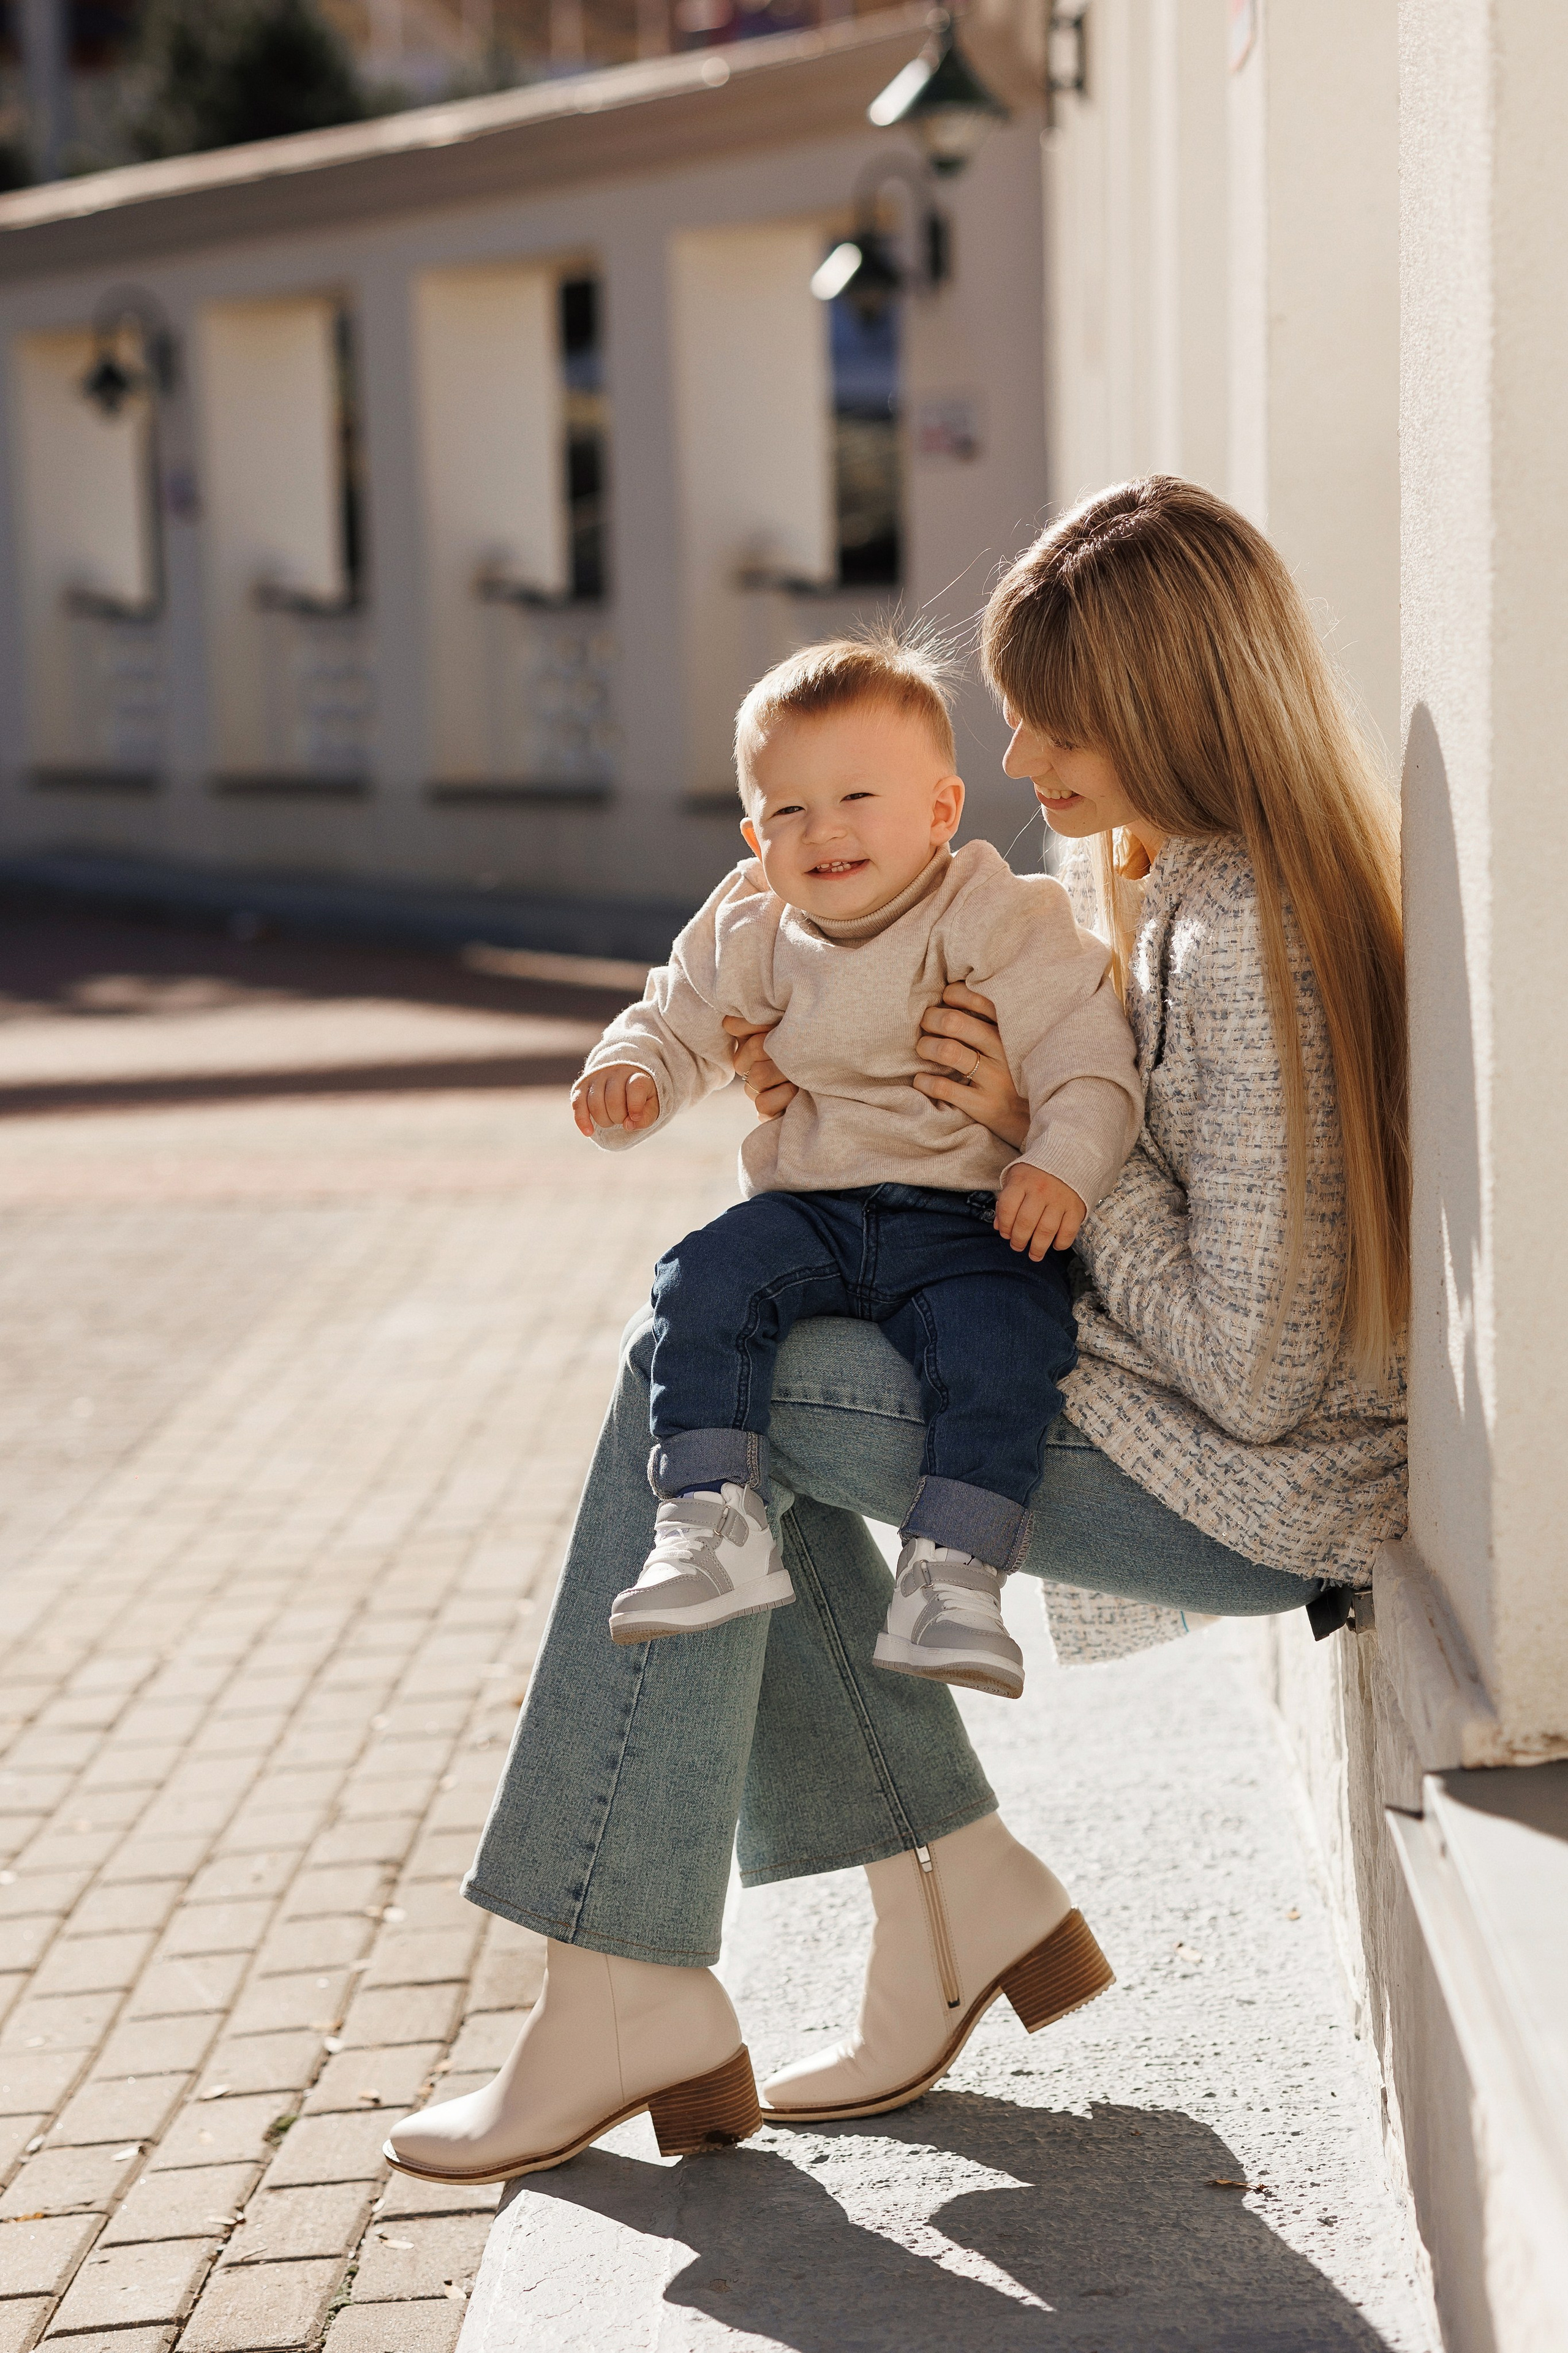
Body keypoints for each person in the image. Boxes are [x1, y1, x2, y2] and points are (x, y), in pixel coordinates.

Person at [384, 475, 1408, 2190]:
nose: (1017, 758)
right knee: (725, 1418)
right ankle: (947, 1897)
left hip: (1244, 1490)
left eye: (1053, 720)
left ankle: (627, 1981)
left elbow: (1254, 1371)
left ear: (1166, 703)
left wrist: (1025, 1138)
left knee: (693, 1389)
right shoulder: (1181, 886)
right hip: (1173, 1425)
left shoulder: (1247, 936)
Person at [574, 634, 1140, 1702]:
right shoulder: (749, 923)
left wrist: (1061, 1161)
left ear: (940, 810)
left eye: (857, 798)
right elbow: (675, 1015)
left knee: (1005, 1342)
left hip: (967, 1214)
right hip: (812, 1211)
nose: (823, 830)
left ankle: (955, 1574)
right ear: (755, 836)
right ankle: (713, 1520)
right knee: (699, 1280)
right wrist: (634, 1073)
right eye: (788, 809)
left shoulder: (992, 912)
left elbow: (1086, 1053)